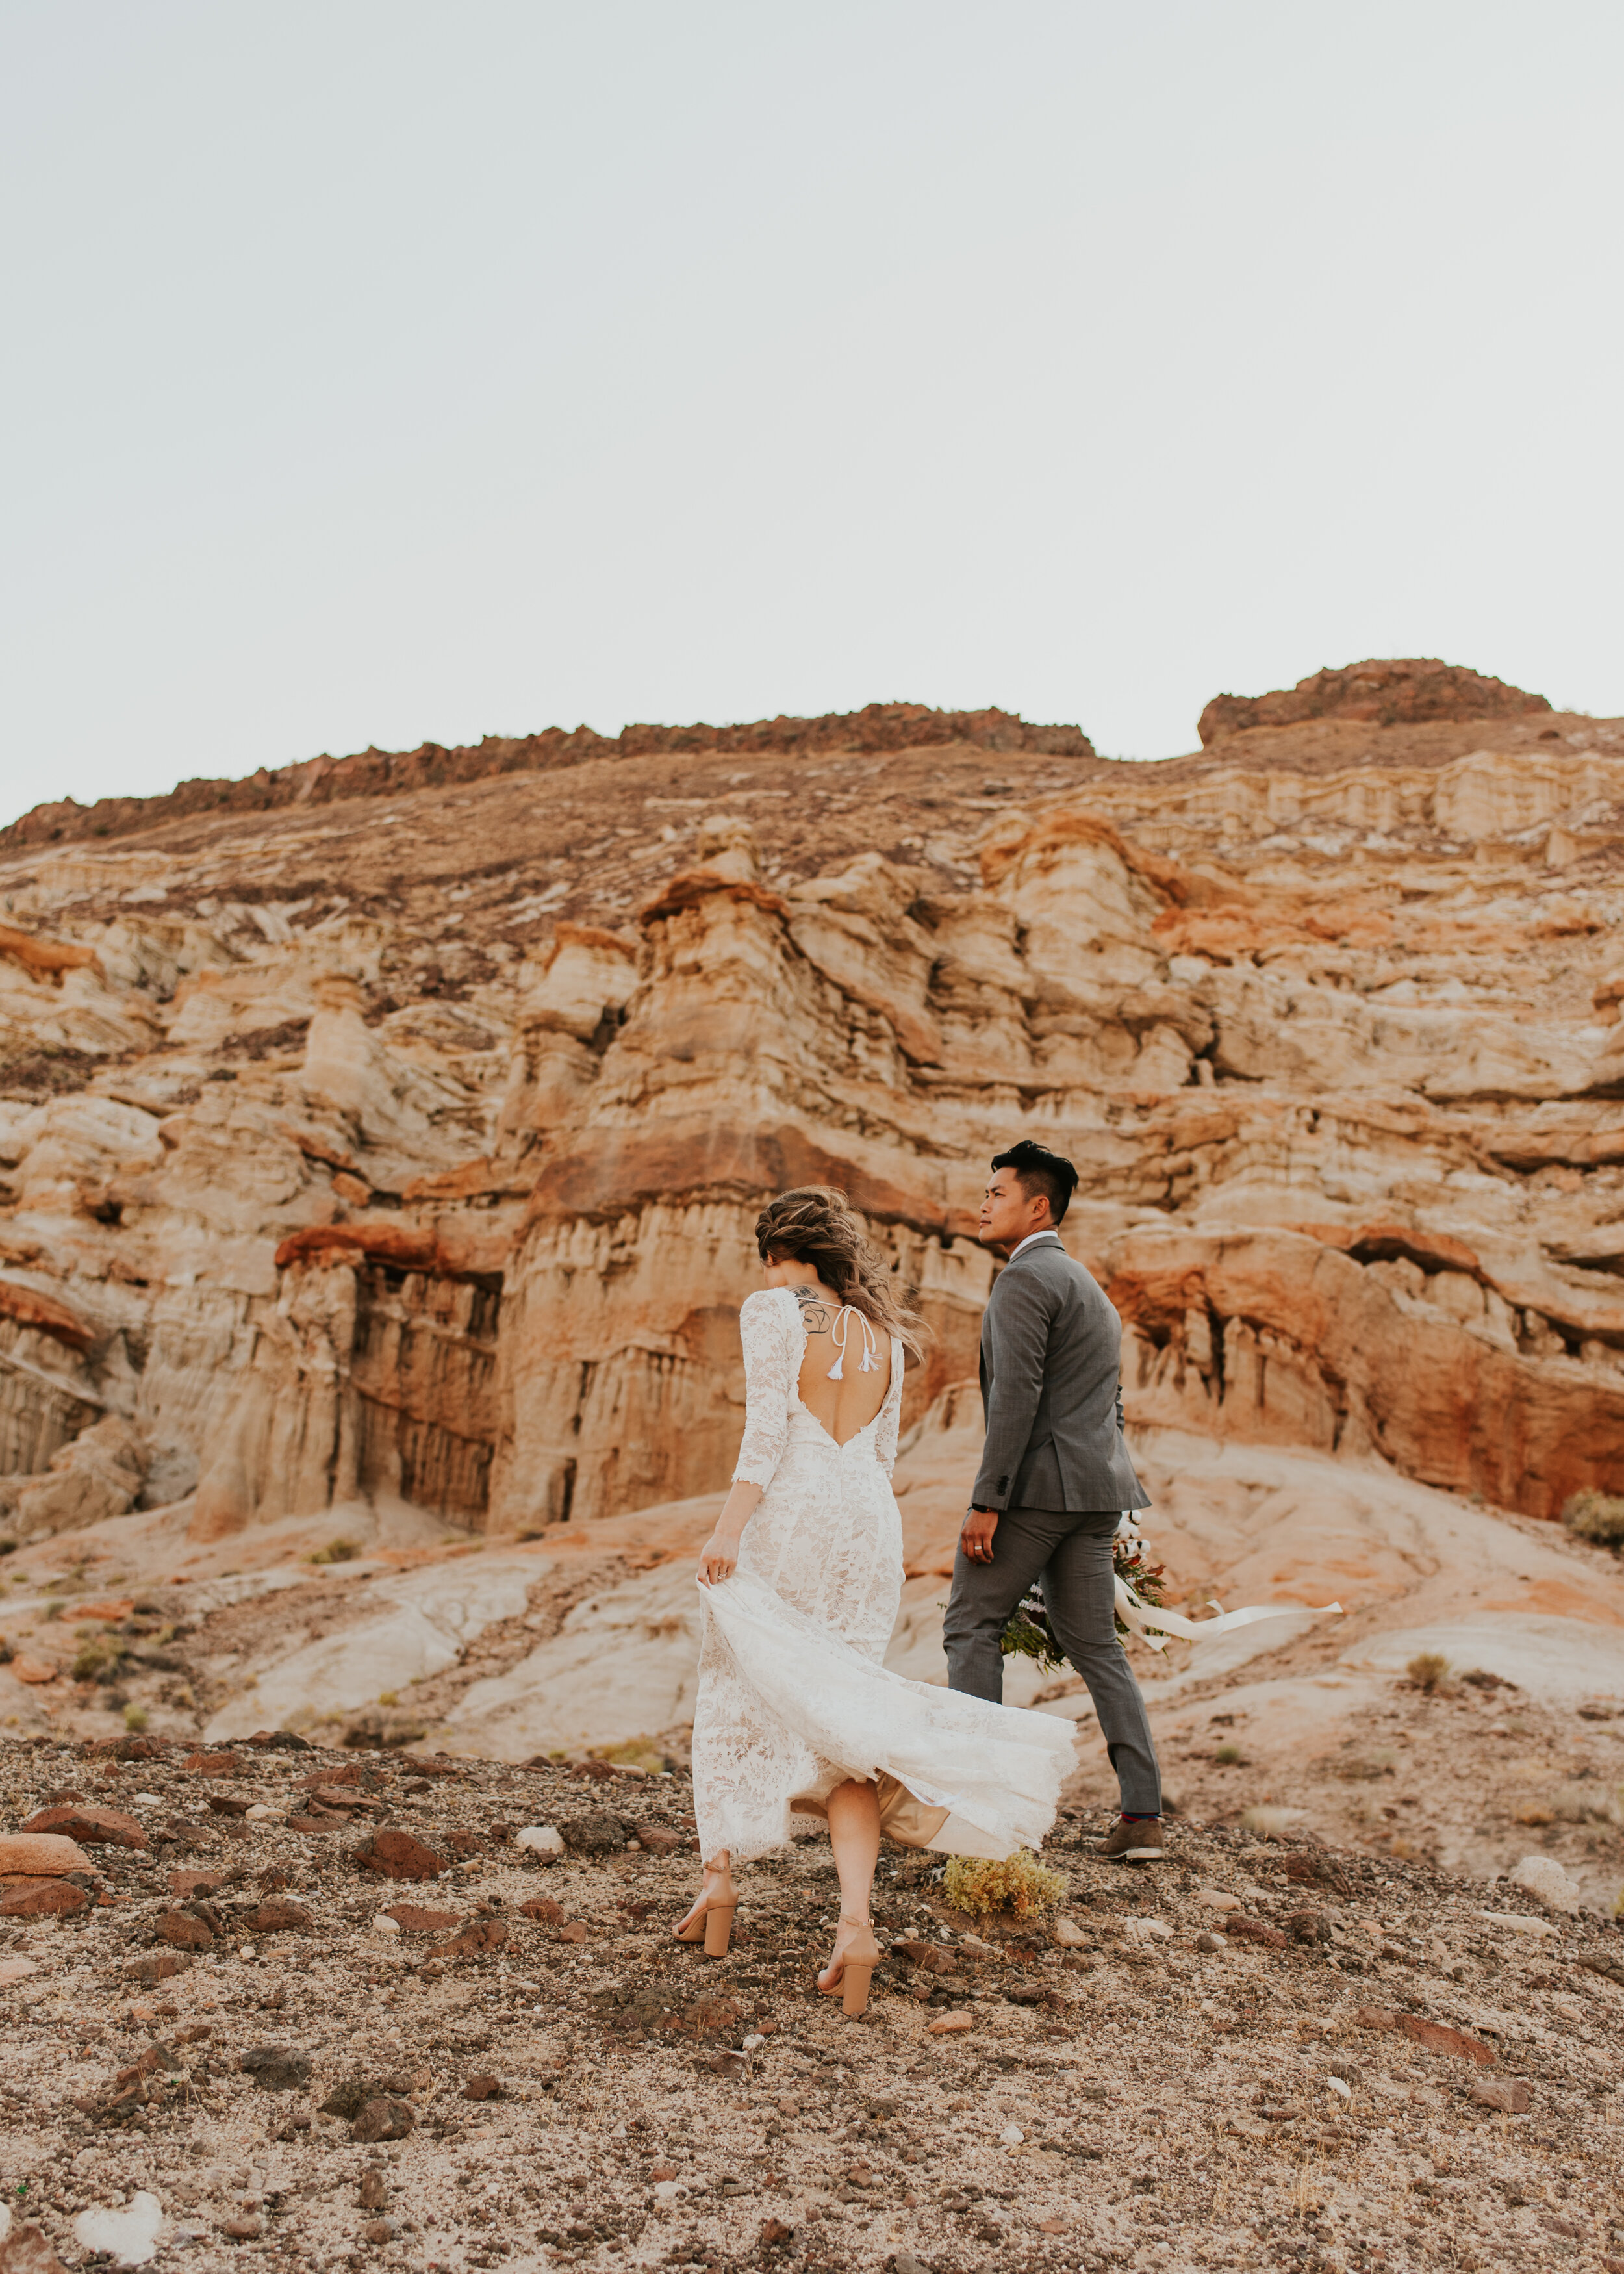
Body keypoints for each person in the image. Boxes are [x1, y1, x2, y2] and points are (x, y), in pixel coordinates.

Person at [683, 1186, 1077, 2013]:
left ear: (775, 1253)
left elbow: (765, 1435)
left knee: (733, 1680)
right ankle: (854, 1926)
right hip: (866, 1523)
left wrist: (725, 1532)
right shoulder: (885, 1336)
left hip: (791, 1511)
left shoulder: (772, 1309)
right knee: (847, 1721)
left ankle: (718, 1886)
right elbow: (881, 1457)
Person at [942, 1140, 1166, 1862]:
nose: (983, 1202)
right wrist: (1114, 1497)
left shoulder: (1024, 1279)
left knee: (971, 1624)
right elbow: (1112, 1403)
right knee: (1097, 1644)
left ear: (1037, 1205)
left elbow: (1016, 1398)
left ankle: (976, 1804)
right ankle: (1141, 1814)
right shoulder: (1088, 1288)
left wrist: (989, 1499)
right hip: (1097, 1491)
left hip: (1036, 1491)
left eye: (997, 1192)